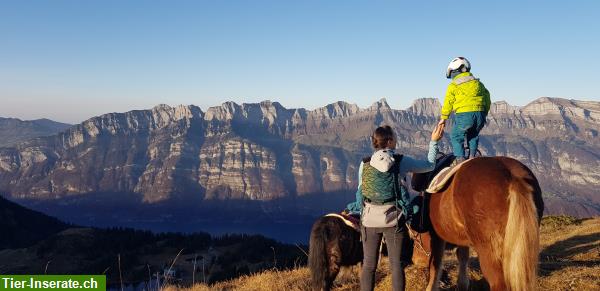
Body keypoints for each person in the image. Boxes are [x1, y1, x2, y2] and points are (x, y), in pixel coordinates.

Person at [345, 124, 444, 291]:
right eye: (395, 137)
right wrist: (434, 142)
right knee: (396, 266)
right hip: (394, 220)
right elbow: (429, 165)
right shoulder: (401, 161)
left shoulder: (364, 164)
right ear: (389, 141)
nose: (397, 140)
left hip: (369, 220)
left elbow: (361, 192)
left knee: (369, 266)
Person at [438, 57, 491, 164]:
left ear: (454, 71)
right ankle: (472, 156)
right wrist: (484, 112)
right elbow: (487, 98)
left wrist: (443, 118)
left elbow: (448, 102)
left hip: (465, 115)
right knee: (473, 134)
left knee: (456, 135)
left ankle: (460, 159)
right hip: (480, 114)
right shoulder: (478, 83)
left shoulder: (454, 85)